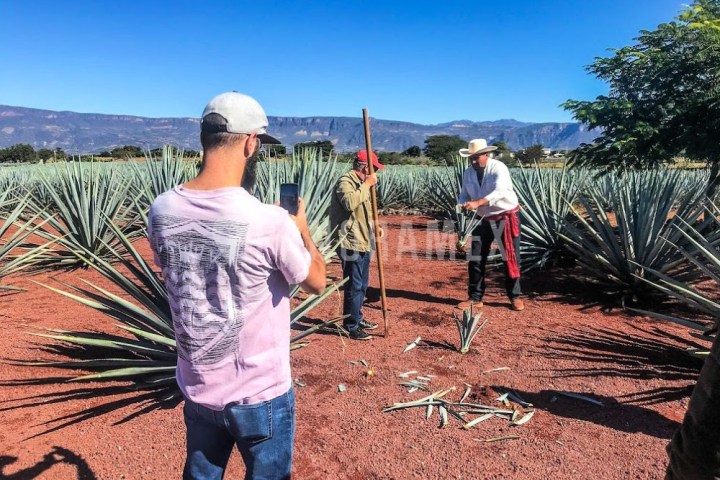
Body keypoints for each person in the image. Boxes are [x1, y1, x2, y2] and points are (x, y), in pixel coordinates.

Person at [147, 92, 326, 480]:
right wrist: (304, 232)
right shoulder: (271, 221)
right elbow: (316, 281)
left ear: (204, 138)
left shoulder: (161, 210)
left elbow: (175, 271)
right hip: (260, 395)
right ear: (251, 142)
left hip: (197, 388)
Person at [457, 138, 525, 311]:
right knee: (476, 258)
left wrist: (477, 203)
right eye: (471, 158)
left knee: (510, 257)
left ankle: (514, 296)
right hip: (482, 219)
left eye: (476, 157)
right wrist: (462, 204)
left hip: (505, 217)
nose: (473, 161)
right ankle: (475, 297)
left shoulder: (499, 167)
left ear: (486, 154)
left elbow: (500, 192)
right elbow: (464, 194)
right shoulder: (468, 173)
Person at [329, 150, 384, 341]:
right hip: (350, 240)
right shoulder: (346, 181)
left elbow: (365, 212)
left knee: (362, 284)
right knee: (354, 284)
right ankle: (351, 326)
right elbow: (350, 203)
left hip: (363, 239)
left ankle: (357, 318)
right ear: (365, 167)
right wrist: (367, 184)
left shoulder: (362, 184)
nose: (376, 173)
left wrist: (375, 228)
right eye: (374, 168)